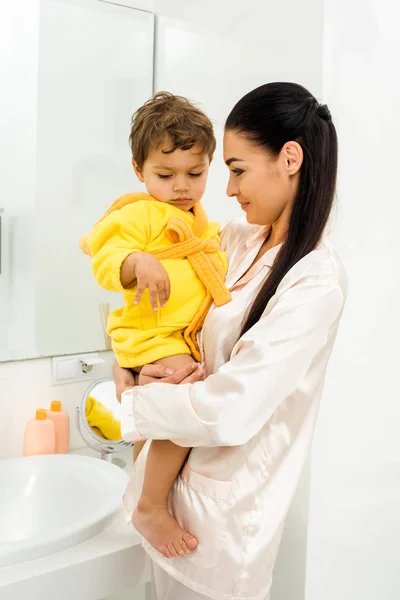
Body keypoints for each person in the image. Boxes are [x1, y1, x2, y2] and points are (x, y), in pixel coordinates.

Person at [116, 82, 347, 600]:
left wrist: (135, 402)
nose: (225, 189)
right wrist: (133, 365)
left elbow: (231, 409)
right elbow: (167, 311)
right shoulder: (233, 240)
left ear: (290, 158)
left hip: (218, 530)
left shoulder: (314, 281)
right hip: (168, 498)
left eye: (237, 169)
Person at [82, 92, 231, 559]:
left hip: (179, 337)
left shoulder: (203, 224)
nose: (181, 186)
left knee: (152, 427)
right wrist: (137, 260)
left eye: (196, 173)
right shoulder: (138, 213)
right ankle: (150, 505)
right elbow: (104, 258)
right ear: (138, 170)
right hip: (151, 336)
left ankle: (139, 489)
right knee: (179, 406)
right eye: (165, 176)